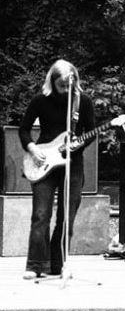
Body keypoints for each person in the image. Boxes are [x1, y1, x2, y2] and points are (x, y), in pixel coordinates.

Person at [19, 59, 96, 279]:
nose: (65, 90)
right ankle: (36, 265)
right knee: (41, 214)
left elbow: (91, 133)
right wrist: (32, 148)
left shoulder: (83, 102)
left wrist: (76, 145)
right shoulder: (40, 100)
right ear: (52, 81)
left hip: (73, 163)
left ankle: (57, 263)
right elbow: (24, 130)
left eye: (68, 85)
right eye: (61, 85)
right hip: (43, 160)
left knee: (66, 215)